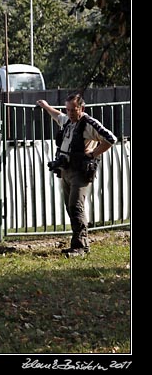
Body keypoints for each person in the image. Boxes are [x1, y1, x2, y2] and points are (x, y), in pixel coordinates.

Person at [36, 94, 117, 257]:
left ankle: (81, 246)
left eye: (74, 110)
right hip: (66, 169)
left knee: (75, 206)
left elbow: (110, 138)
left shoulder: (88, 123)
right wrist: (45, 106)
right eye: (68, 109)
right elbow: (57, 116)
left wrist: (92, 154)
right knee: (70, 207)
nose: (70, 113)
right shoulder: (68, 120)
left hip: (80, 171)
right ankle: (78, 243)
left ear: (82, 108)